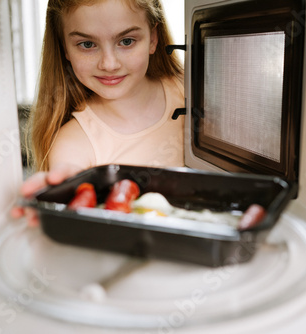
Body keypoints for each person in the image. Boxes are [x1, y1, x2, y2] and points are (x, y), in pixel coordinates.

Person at [11, 0, 184, 224]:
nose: (109, 64)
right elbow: (70, 179)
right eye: (87, 44)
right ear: (65, 47)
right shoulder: (73, 141)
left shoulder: (192, 88)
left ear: (153, 38)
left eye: (127, 41)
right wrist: (59, 191)